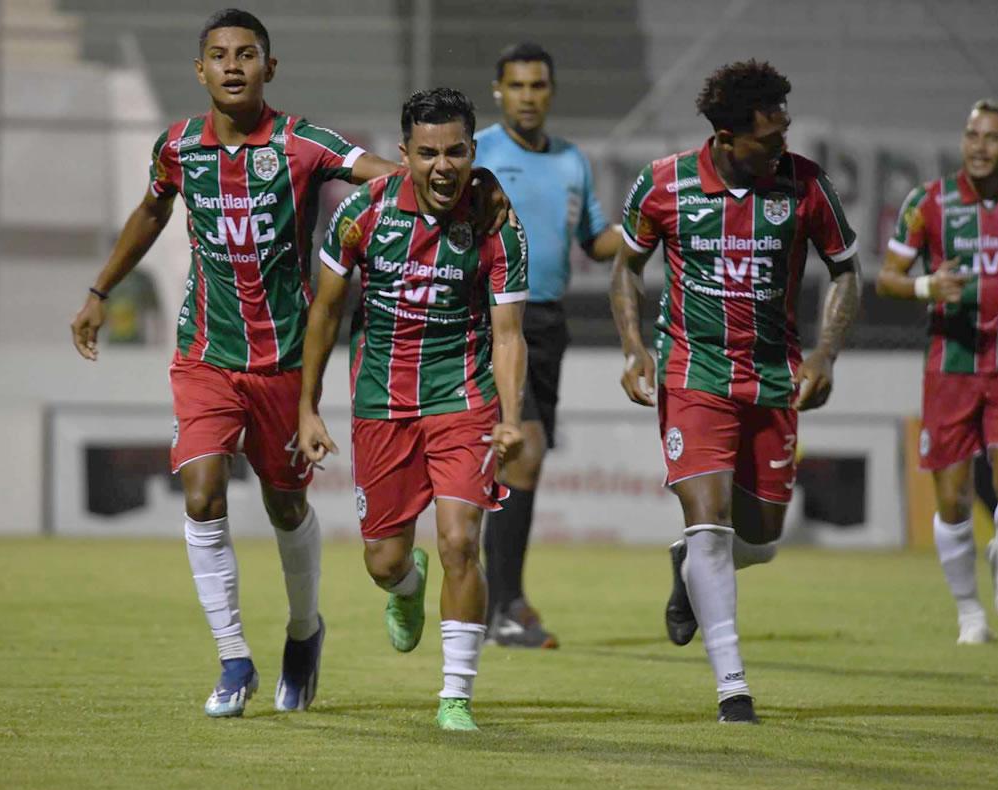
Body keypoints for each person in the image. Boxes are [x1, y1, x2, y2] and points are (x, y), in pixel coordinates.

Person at [69, 9, 510, 719]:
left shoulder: (301, 142)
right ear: (200, 70)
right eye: (220, 55)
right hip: (205, 354)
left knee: (286, 504)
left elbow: (390, 173)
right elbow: (151, 213)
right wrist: (100, 289)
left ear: (269, 68)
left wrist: (472, 182)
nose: (234, 65)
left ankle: (304, 632)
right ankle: (234, 658)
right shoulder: (177, 147)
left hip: (281, 361)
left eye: (248, 54)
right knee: (203, 492)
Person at [609, 60, 861, 723]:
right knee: (711, 525)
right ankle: (734, 689)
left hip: (775, 377)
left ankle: (687, 571)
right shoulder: (663, 184)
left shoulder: (806, 184)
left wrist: (827, 354)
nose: (782, 149)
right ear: (726, 135)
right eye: (769, 140)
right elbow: (626, 268)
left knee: (762, 536)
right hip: (692, 372)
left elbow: (847, 273)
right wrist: (635, 348)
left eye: (784, 134)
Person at [298, 88, 528, 732]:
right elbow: (325, 311)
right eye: (428, 153)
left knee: (461, 543)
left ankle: (455, 697)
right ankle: (406, 587)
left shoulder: (495, 223)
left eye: (456, 151)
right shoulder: (361, 215)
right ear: (405, 155)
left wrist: (510, 415)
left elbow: (509, 334)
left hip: (464, 403)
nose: (443, 166)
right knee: (385, 564)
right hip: (382, 407)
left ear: (473, 152)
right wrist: (307, 407)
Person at [473, 42, 622, 648]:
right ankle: (500, 607)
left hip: (549, 323)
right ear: (498, 90)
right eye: (517, 86)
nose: (528, 97)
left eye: (538, 86)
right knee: (523, 451)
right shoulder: (477, 150)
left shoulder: (571, 161)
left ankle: (504, 598)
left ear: (551, 92)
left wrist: (650, 227)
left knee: (525, 461)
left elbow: (595, 241)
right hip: (490, 318)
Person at [875, 98, 998, 644]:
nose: (979, 146)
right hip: (949, 369)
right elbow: (886, 277)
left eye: (993, 137)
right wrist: (930, 285)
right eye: (972, 135)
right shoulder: (928, 202)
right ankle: (969, 611)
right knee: (952, 500)